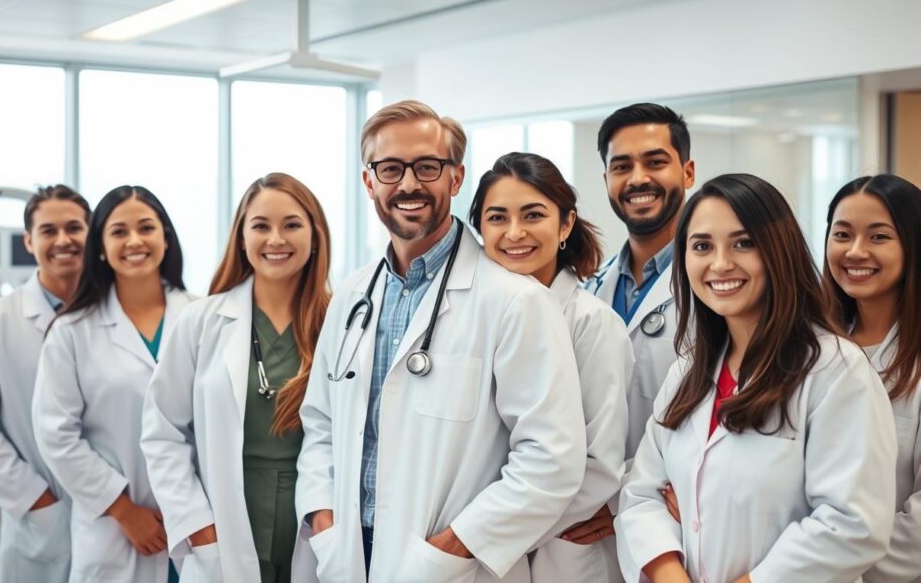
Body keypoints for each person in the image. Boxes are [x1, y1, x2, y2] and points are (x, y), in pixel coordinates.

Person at [295, 100, 586, 583]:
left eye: (427, 166)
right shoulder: (351, 295)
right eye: (390, 169)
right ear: (369, 182)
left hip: (449, 566)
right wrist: (324, 520)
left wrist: (450, 550)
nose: (408, 184)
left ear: (455, 178)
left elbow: (550, 459)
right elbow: (321, 424)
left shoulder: (516, 301)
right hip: (348, 555)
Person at [615, 173, 897, 583]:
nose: (720, 263)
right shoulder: (687, 373)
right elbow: (641, 496)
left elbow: (852, 524)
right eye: (702, 246)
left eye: (743, 243)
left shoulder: (836, 372)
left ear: (777, 251)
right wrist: (669, 574)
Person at [141, 173, 332, 583]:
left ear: (315, 236)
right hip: (226, 520)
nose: (276, 239)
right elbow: (162, 431)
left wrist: (328, 524)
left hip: (316, 522)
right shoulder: (201, 321)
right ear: (242, 238)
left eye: (292, 225)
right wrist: (198, 526)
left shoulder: (344, 323)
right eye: (261, 226)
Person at [469, 151, 632, 582]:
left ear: (565, 225)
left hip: (561, 558)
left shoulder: (594, 325)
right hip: (486, 547)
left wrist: (484, 534)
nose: (514, 233)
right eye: (497, 218)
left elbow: (598, 468)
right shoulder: (473, 320)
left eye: (533, 215)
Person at [32, 185, 195, 583]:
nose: (134, 241)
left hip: (197, 520)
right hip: (116, 528)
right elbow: (56, 435)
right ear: (101, 247)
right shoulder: (71, 332)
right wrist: (124, 511)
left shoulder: (201, 316)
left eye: (146, 228)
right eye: (119, 231)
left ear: (165, 237)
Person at [0, 185, 90, 583]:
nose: (63, 240)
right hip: (44, 512)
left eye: (74, 228)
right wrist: (38, 500)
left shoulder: (115, 313)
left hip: (116, 516)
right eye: (48, 231)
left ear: (91, 233)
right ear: (29, 242)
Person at [822, 174, 921, 583]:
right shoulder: (809, 348)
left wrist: (823, 563)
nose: (855, 251)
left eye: (879, 237)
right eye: (842, 234)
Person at [585, 103, 695, 461]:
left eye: (655, 162)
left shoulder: (713, 288)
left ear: (688, 173)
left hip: (677, 500)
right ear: (607, 182)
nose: (637, 179)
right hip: (591, 505)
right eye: (621, 167)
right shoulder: (589, 290)